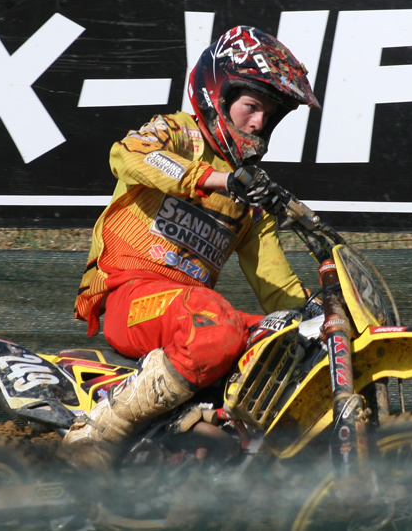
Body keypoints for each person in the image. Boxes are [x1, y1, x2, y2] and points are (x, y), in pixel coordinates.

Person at [63, 25, 321, 470]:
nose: (259, 124)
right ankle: (99, 431)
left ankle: (219, 456)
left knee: (284, 340)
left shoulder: (249, 196)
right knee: (216, 321)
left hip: (186, 313)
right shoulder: (179, 134)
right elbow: (127, 155)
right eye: (251, 107)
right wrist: (213, 179)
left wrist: (315, 318)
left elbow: (274, 282)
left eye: (270, 115)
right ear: (218, 95)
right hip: (131, 297)